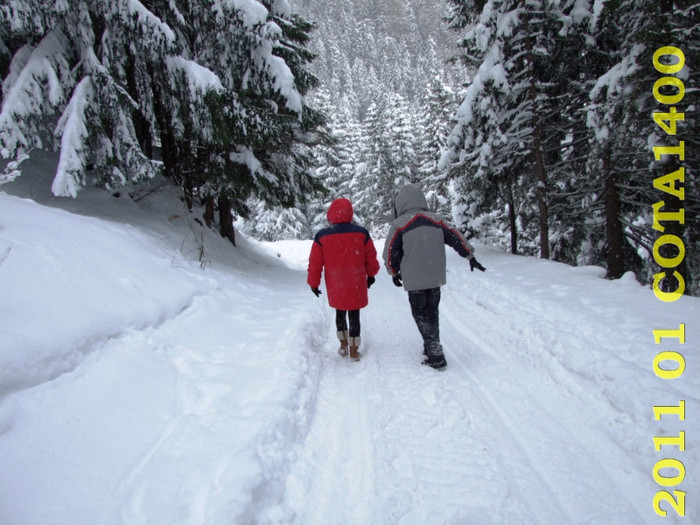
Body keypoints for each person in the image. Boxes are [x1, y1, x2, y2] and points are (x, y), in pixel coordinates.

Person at [382, 184, 486, 369]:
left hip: (415, 279)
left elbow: (391, 252)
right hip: (435, 275)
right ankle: (431, 345)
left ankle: (434, 350)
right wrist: (469, 255)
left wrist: (394, 271)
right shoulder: (436, 220)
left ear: (400, 204)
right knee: (432, 312)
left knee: (420, 314)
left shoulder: (400, 225)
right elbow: (456, 238)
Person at [308, 198, 380, 361]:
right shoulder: (361, 233)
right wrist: (372, 274)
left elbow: (315, 263)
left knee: (340, 313)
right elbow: (371, 257)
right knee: (354, 314)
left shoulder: (322, 236)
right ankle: (354, 349)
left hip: (336, 283)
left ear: (331, 214)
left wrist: (314, 283)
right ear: (350, 213)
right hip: (356, 281)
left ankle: (343, 344)